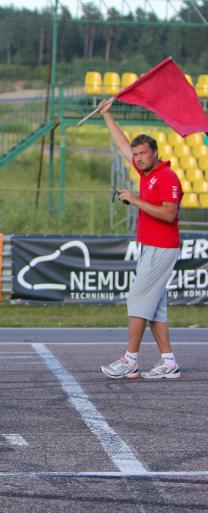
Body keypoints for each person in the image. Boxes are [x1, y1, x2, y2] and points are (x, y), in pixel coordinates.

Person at [97, 98, 184, 380]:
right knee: (155, 307)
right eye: (136, 155)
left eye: (143, 153)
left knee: (137, 299)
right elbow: (123, 145)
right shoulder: (146, 173)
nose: (137, 158)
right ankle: (168, 362)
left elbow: (169, 214)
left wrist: (134, 200)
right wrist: (107, 115)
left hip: (161, 247)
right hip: (151, 247)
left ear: (155, 153)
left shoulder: (166, 177)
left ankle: (130, 360)